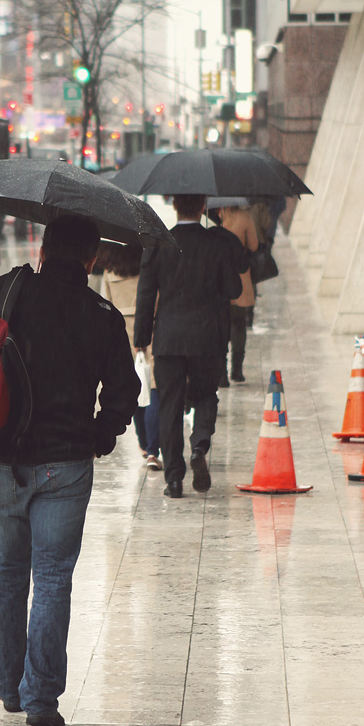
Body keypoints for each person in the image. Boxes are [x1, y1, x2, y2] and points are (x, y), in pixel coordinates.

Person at [0, 214, 140, 726]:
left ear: (41, 249)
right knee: (54, 577)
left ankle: (6, 685)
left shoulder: (8, 291)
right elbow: (125, 393)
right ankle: (41, 700)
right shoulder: (101, 314)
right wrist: (100, 437)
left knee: (8, 572)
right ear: (91, 259)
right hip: (66, 464)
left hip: (0, 460)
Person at [134, 194, 243, 498]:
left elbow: (145, 294)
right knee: (205, 394)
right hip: (207, 338)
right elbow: (234, 289)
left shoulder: (159, 244)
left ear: (174, 205)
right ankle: (199, 445)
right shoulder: (216, 243)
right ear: (203, 204)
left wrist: (141, 339)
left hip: (168, 339)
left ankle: (173, 480)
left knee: (169, 403)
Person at [101, 241, 151, 457]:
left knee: (134, 385)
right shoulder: (147, 268)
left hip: (121, 332)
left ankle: (143, 440)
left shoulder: (109, 272)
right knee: (152, 385)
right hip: (148, 329)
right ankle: (153, 446)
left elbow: (106, 306)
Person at [214, 203, 257, 383]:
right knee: (238, 323)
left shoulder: (214, 217)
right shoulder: (245, 217)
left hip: (218, 276)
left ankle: (222, 373)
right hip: (240, 275)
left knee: (221, 325)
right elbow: (254, 246)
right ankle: (237, 370)